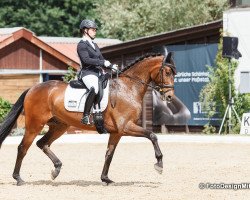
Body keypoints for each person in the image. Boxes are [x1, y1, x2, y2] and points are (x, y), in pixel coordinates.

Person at [77, 19, 114, 126]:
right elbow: (86, 60)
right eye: (93, 30)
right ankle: (85, 115)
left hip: (97, 73)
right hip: (87, 73)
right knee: (95, 88)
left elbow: (101, 59)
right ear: (85, 31)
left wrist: (110, 66)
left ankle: (102, 112)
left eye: (95, 30)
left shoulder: (94, 45)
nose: (95, 32)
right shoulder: (82, 45)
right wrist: (103, 62)